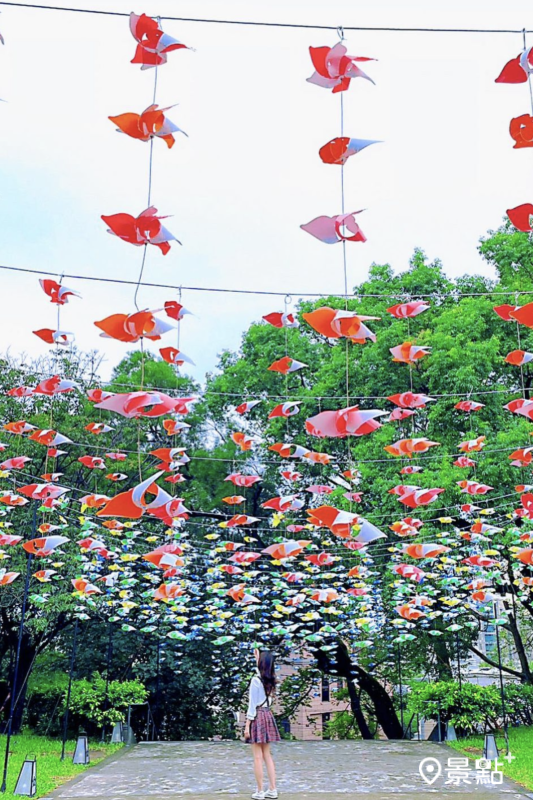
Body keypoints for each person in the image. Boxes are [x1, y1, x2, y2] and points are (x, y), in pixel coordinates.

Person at [244, 648, 280, 800]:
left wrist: (247, 726)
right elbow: (260, 673)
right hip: (267, 714)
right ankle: (272, 789)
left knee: (257, 757)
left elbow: (252, 706)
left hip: (258, 716)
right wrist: (257, 658)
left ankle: (259, 791)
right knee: (267, 755)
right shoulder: (270, 680)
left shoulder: (255, 681)